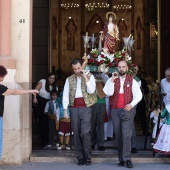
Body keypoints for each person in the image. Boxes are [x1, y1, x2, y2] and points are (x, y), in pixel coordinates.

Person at [103, 60, 142, 168]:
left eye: (123, 67)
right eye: (119, 67)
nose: (121, 69)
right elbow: (108, 92)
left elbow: (139, 95)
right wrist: (111, 80)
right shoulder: (112, 80)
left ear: (127, 68)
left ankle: (127, 159)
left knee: (126, 135)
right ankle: (121, 159)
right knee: (119, 135)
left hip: (127, 110)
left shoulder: (132, 80)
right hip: (115, 110)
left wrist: (132, 104)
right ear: (117, 68)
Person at [62, 58, 97, 165]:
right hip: (73, 108)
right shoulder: (69, 79)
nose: (77, 71)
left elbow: (91, 90)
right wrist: (65, 110)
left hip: (86, 107)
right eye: (74, 69)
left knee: (85, 132)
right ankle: (80, 156)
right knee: (76, 132)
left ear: (82, 66)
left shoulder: (90, 77)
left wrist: (85, 77)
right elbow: (65, 94)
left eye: (78, 68)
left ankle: (88, 156)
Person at [0, 65, 38, 160]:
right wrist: (30, 91)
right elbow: (14, 91)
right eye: (2, 76)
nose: (3, 78)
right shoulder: (0, 88)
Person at [33, 72, 58, 148]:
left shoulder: (55, 87)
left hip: (49, 104)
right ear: (48, 78)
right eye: (50, 78)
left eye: (53, 78)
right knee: (42, 122)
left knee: (48, 123)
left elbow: (55, 97)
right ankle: (43, 142)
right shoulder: (43, 82)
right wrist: (34, 98)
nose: (52, 80)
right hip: (40, 103)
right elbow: (35, 90)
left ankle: (48, 142)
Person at [91, 74, 106, 151]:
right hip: (91, 102)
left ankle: (101, 144)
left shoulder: (104, 75)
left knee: (100, 124)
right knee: (92, 124)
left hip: (101, 101)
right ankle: (91, 143)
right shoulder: (89, 74)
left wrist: (102, 75)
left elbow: (107, 83)